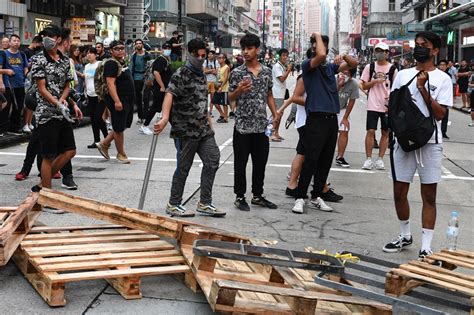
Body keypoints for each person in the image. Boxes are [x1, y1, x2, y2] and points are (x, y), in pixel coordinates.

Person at [383, 31, 452, 258]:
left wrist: (423, 89)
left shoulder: (443, 79)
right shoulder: (402, 75)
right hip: (403, 141)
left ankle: (426, 246)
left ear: (435, 51)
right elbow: (392, 106)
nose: (419, 48)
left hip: (430, 143)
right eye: (417, 44)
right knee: (399, 191)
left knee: (429, 195)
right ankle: (405, 235)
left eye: (425, 45)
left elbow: (440, 115)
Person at [153, 38, 225, 218]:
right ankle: (174, 203)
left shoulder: (201, 73)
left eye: (203, 55)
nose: (200, 58)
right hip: (185, 130)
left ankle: (205, 202)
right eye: (197, 55)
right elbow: (169, 94)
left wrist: (209, 119)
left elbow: (202, 98)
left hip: (202, 129)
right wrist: (165, 118)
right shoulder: (181, 73)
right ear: (190, 54)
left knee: (213, 159)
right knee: (184, 167)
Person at [292, 33, 358, 214]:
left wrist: (343, 55)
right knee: (311, 159)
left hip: (331, 119)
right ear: (313, 48)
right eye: (316, 46)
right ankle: (299, 197)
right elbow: (320, 55)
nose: (320, 49)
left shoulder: (330, 67)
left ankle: (316, 195)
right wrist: (315, 35)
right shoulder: (308, 66)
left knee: (325, 160)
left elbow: (354, 64)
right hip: (316, 119)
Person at [30, 25, 82, 197]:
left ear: (58, 39)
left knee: (70, 150)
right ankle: (47, 195)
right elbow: (41, 88)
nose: (46, 39)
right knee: (48, 155)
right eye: (44, 36)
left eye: (50, 36)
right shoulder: (39, 59)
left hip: (62, 112)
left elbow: (68, 85)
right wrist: (56, 103)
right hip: (46, 113)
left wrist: (63, 100)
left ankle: (43, 183)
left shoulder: (66, 61)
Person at [229, 33, 279, 211]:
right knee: (240, 164)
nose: (245, 52)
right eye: (243, 49)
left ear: (257, 50)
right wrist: (239, 90)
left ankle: (257, 195)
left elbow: (269, 95)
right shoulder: (236, 72)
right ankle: (240, 196)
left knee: (260, 163)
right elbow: (230, 98)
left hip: (260, 126)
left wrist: (275, 113)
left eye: (249, 48)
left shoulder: (266, 72)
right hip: (242, 127)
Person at [360, 42, 398, 170]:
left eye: (382, 51)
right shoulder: (369, 67)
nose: (379, 53)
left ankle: (380, 159)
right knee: (370, 131)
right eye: (377, 51)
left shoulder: (393, 69)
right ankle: (368, 159)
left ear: (387, 53)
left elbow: (396, 88)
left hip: (387, 105)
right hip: (373, 104)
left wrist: (392, 102)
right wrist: (375, 81)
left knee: (385, 132)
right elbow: (364, 85)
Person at [95, 40, 134, 164]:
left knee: (121, 125)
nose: (121, 50)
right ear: (111, 50)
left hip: (126, 99)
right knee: (118, 128)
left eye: (122, 48)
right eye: (117, 48)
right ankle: (121, 154)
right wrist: (117, 101)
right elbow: (110, 84)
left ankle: (104, 144)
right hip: (119, 99)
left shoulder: (120, 62)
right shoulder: (111, 63)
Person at [139, 42, 173, 135]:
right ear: (162, 49)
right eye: (166, 48)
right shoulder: (161, 60)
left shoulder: (166, 59)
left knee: (168, 108)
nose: (168, 50)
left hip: (165, 89)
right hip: (160, 89)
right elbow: (156, 73)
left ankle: (175, 127)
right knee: (155, 107)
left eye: (169, 48)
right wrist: (162, 86)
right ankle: (144, 126)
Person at [0, 34, 29, 133]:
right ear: (9, 42)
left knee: (19, 106)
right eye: (14, 40)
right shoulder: (3, 54)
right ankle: (2, 129)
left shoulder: (22, 54)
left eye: (18, 40)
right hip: (8, 85)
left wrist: (27, 74)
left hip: (20, 85)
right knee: (6, 107)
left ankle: (14, 128)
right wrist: (1, 83)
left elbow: (25, 68)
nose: (16, 42)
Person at [335, 68, 359, 168]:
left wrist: (345, 117)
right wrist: (339, 85)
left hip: (342, 108)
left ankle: (340, 156)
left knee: (344, 130)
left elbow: (352, 101)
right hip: (328, 108)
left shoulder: (353, 84)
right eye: (343, 73)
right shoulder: (333, 79)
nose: (344, 75)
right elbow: (329, 93)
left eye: (347, 73)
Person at [84, 47, 107, 147]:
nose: (88, 55)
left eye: (90, 53)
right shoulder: (86, 66)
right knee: (93, 119)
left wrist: (102, 93)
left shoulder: (100, 64)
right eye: (87, 53)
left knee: (98, 117)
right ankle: (96, 140)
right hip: (90, 95)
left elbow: (104, 80)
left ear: (95, 55)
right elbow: (86, 80)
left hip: (99, 95)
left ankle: (107, 138)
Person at [271, 48, 293, 142]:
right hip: (277, 94)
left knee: (280, 114)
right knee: (277, 114)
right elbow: (282, 79)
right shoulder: (277, 66)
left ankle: (276, 133)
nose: (285, 57)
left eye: (286, 55)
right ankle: (271, 134)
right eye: (283, 55)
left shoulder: (282, 66)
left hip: (281, 94)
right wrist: (288, 70)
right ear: (279, 56)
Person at [130, 39, 151, 125]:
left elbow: (151, 67)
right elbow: (131, 67)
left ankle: (145, 116)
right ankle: (140, 117)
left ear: (142, 44)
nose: (138, 45)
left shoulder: (147, 55)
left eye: (140, 43)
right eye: (137, 43)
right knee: (138, 98)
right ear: (135, 45)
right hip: (136, 78)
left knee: (146, 98)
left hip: (146, 78)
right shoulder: (134, 56)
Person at [214, 53, 231, 123]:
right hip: (218, 88)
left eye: (222, 58)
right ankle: (223, 114)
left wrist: (221, 87)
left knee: (224, 104)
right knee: (214, 102)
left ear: (224, 59)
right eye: (219, 58)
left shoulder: (226, 67)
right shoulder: (219, 68)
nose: (220, 59)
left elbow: (226, 78)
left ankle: (225, 118)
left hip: (224, 88)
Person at [203, 50, 220, 118]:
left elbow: (217, 72)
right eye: (209, 54)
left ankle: (210, 112)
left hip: (213, 82)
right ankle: (205, 111)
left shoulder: (216, 62)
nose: (210, 55)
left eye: (212, 54)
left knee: (212, 98)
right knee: (205, 97)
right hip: (206, 81)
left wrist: (208, 70)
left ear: (214, 55)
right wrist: (212, 70)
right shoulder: (205, 61)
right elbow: (204, 71)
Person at [438, 60, 451, 139]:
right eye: (441, 65)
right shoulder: (437, 75)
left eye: (444, 65)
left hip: (445, 98)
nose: (442, 66)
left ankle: (443, 132)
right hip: (437, 99)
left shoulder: (448, 76)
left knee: (445, 117)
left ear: (446, 66)